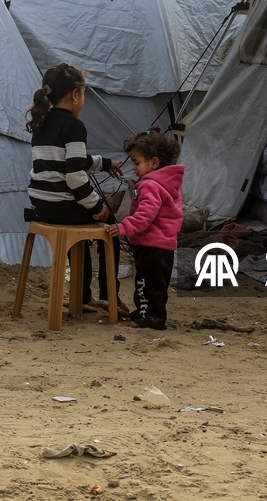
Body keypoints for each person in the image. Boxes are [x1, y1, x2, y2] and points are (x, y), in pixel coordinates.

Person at [26, 63, 127, 312]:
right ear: (75, 95)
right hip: (62, 206)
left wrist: (105, 164)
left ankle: (82, 297)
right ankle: (107, 295)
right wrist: (97, 206)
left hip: (41, 206)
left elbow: (71, 161)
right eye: (83, 94)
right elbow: (74, 176)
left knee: (79, 230)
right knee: (111, 226)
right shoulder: (74, 126)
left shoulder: (42, 122)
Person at [106, 128, 183, 330]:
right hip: (163, 244)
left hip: (151, 244)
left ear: (154, 163)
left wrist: (124, 227)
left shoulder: (150, 185)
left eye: (137, 163)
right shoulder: (166, 184)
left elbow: (145, 216)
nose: (133, 168)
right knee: (154, 283)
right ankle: (145, 312)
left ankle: (152, 317)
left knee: (146, 283)